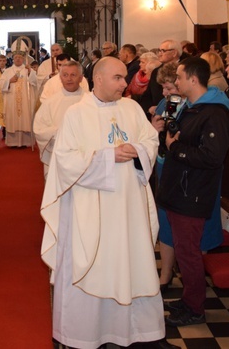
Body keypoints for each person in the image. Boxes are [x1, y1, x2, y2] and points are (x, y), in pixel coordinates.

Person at [40, 57, 171, 348]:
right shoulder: (76, 114)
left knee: (133, 263)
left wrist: (135, 148)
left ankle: (142, 333)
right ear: (98, 79)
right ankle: (83, 336)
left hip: (128, 207)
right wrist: (107, 156)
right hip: (91, 208)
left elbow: (149, 141)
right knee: (94, 267)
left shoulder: (131, 108)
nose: (126, 84)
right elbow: (65, 160)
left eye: (125, 78)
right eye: (119, 78)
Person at [156, 57, 229, 327]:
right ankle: (189, 299)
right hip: (179, 189)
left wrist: (176, 148)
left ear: (193, 79)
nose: (175, 82)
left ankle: (195, 308)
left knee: (188, 252)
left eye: (178, 77)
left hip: (193, 192)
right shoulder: (189, 107)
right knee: (184, 251)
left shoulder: (214, 112)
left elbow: (213, 157)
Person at [33, 61, 86, 179]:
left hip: (84, 155)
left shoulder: (90, 101)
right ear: (60, 78)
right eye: (65, 75)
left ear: (81, 78)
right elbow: (39, 129)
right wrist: (58, 132)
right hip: (58, 154)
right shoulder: (50, 103)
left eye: (73, 75)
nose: (69, 79)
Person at [0, 52, 37, 148]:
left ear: (23, 58)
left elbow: (35, 82)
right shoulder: (8, 71)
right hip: (12, 100)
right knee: (13, 119)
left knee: (25, 118)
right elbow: (0, 83)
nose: (18, 59)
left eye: (20, 57)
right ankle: (13, 142)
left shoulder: (28, 69)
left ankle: (26, 142)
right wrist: (9, 81)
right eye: (16, 57)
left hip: (25, 101)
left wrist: (30, 73)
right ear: (13, 59)